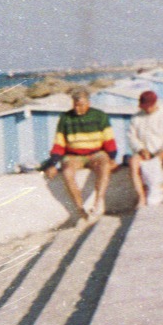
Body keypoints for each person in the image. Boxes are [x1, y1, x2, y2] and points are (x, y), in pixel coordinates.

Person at [44, 87, 118, 223]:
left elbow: (109, 140)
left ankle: (97, 204)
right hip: (74, 155)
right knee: (67, 173)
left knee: (105, 165)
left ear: (88, 103)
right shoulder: (65, 118)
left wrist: (112, 158)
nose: (78, 109)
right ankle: (80, 209)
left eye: (81, 105)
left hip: (96, 153)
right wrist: (52, 164)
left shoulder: (100, 116)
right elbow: (59, 144)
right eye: (75, 105)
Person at [128, 89, 163, 206]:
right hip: (147, 151)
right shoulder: (136, 118)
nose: (147, 109)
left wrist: (162, 153)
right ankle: (141, 197)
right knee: (133, 162)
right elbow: (132, 137)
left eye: (150, 106)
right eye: (145, 107)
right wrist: (141, 149)